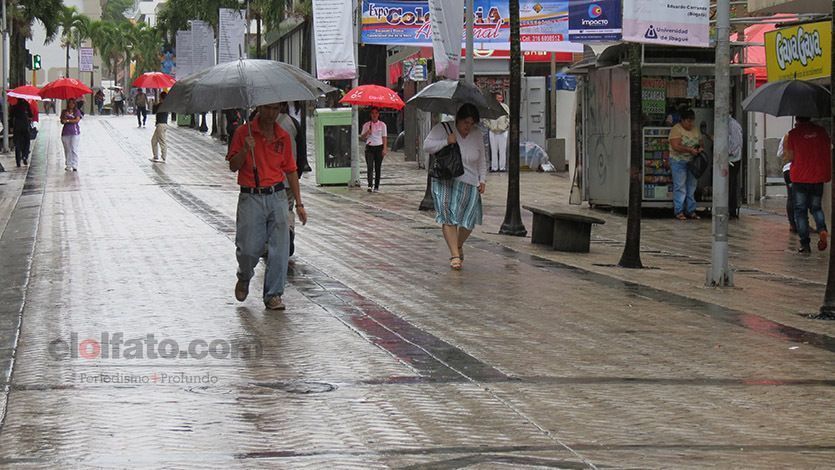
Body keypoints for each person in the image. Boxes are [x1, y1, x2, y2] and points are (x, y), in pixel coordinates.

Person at [226, 102, 307, 310]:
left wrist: (299, 203)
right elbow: (233, 165)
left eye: (275, 109)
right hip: (251, 196)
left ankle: (273, 294)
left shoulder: (282, 135)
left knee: (280, 248)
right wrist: (245, 148)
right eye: (267, 108)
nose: (271, 113)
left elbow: (290, 169)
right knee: (249, 249)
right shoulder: (244, 132)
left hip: (277, 195)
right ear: (259, 109)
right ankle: (244, 276)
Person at [422, 103, 487, 270]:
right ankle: (454, 255)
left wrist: (483, 179)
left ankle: (457, 244)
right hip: (446, 179)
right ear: (458, 119)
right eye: (466, 122)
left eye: (472, 123)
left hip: (470, 181)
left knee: (468, 222)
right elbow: (427, 146)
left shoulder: (477, 134)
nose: (468, 127)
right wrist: (446, 141)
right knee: (448, 215)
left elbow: (481, 158)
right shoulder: (443, 128)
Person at [783, 116, 831, 253]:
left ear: (797, 120)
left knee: (800, 211)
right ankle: (822, 229)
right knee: (816, 207)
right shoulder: (821, 132)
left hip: (799, 178)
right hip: (817, 176)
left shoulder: (793, 134)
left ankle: (805, 244)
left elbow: (790, 156)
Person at [276, 102, 308, 256]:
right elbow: (301, 153)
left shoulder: (259, 120)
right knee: (287, 208)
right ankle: (288, 232)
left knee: (271, 211)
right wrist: (298, 174)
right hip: (289, 178)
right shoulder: (293, 123)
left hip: (267, 179)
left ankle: (274, 238)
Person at [668, 109, 703, 220]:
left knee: (691, 186)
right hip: (678, 161)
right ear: (682, 120)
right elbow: (675, 145)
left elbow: (701, 142)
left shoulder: (696, 129)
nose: (691, 124)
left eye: (692, 121)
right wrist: (689, 150)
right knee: (680, 186)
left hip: (692, 162)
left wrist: (699, 149)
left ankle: (691, 210)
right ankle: (679, 211)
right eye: (688, 121)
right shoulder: (676, 129)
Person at [360, 107, 388, 192]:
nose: (374, 115)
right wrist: (368, 132)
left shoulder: (382, 125)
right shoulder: (366, 125)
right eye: (372, 113)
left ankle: (376, 186)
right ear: (370, 114)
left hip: (379, 147)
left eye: (376, 113)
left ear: (378, 114)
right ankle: (369, 185)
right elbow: (362, 137)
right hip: (370, 147)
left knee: (377, 167)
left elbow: (384, 137)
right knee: (370, 166)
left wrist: (385, 148)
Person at [485, 92, 510, 172]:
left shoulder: (505, 107)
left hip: (503, 131)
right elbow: (486, 118)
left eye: (500, 98)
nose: (499, 100)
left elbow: (508, 118)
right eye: (497, 98)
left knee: (503, 150)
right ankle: (494, 167)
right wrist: (490, 126)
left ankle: (502, 167)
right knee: (493, 150)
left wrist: (505, 126)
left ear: (502, 99)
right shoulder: (490, 107)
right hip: (493, 131)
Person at [60, 98, 83, 172]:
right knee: (67, 149)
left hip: (75, 132)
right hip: (66, 132)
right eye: (70, 103)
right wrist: (66, 118)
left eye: (73, 103)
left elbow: (77, 120)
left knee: (73, 148)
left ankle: (74, 164)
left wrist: (68, 120)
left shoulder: (77, 111)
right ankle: (68, 164)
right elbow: (62, 121)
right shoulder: (64, 111)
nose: (71, 104)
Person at [11, 99, 32, 167]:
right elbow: (31, 115)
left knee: (17, 143)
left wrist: (11, 126)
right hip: (25, 126)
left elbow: (11, 116)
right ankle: (25, 156)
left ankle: (18, 161)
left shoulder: (14, 106)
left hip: (17, 126)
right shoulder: (26, 104)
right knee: (27, 141)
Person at [150, 91, 169, 163]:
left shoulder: (161, 105)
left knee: (162, 141)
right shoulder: (165, 105)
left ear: (161, 97)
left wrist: (154, 104)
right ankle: (155, 156)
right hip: (161, 125)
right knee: (154, 141)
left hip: (161, 125)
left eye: (159, 97)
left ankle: (163, 157)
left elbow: (154, 111)